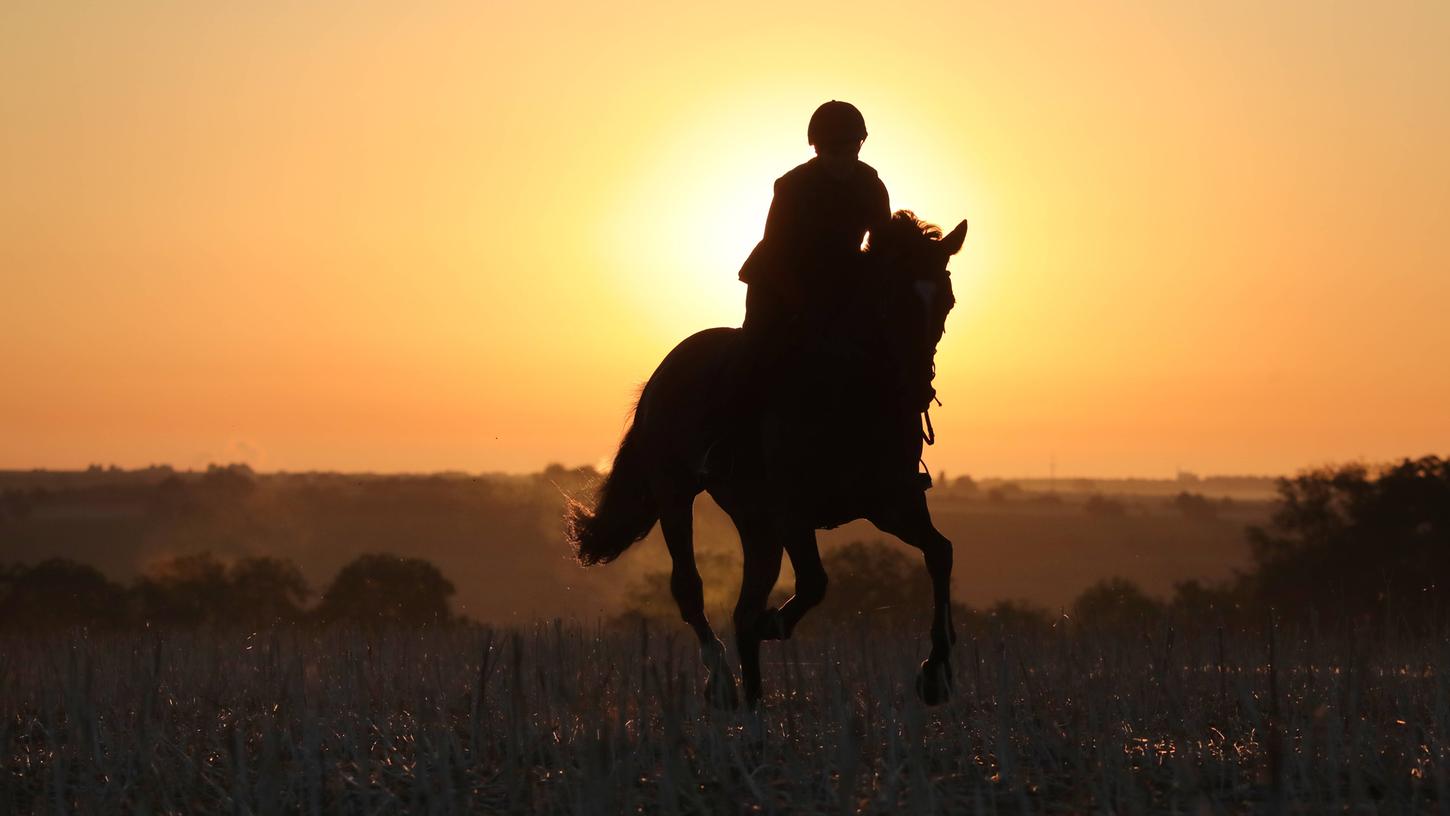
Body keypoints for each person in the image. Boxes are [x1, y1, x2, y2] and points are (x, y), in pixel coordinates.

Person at [703, 101, 891, 479]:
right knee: (756, 350)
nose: (841, 156)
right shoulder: (792, 186)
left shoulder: (872, 185)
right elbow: (776, 250)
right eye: (832, 148)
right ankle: (727, 444)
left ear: (860, 144)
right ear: (817, 148)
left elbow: (883, 248)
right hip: (777, 283)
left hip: (840, 287)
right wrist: (802, 305)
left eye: (848, 147)